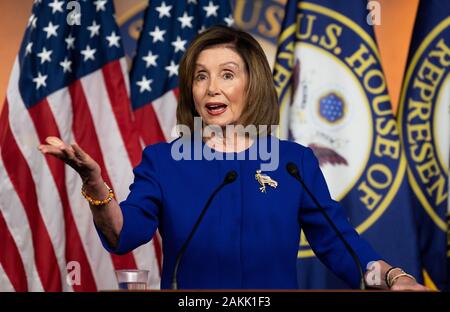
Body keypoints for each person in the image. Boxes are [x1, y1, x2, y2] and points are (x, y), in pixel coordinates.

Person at [38, 25, 426, 290]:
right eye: (201, 76)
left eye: (226, 74)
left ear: (251, 84)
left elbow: (339, 244)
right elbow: (122, 235)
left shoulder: (293, 162)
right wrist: (94, 184)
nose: (211, 88)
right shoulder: (164, 161)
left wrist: (391, 277)